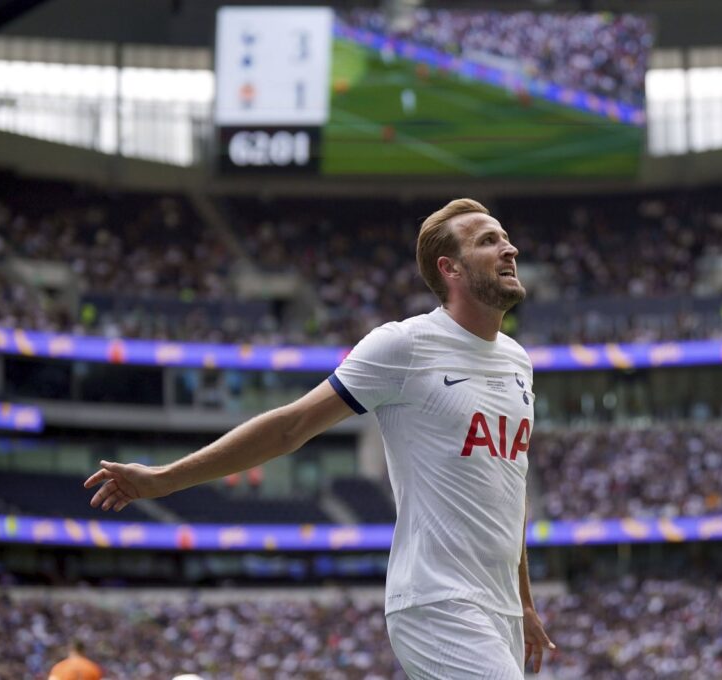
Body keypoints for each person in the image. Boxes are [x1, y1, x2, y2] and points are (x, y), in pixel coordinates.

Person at [85, 198, 555, 678]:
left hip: (500, 608)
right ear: (449, 268)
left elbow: (508, 488)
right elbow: (291, 426)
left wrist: (524, 602)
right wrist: (164, 479)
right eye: (488, 241)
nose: (510, 249)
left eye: (505, 237)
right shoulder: (404, 345)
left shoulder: (517, 361)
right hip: (438, 599)